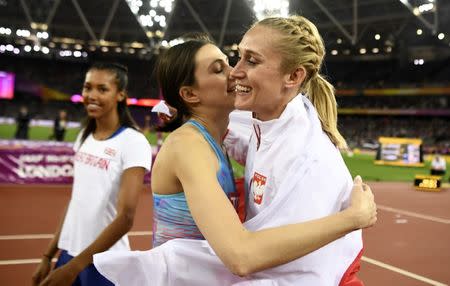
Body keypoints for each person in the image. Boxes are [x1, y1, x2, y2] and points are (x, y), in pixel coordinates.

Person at [94, 28, 376, 285]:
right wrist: (353, 218)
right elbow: (242, 256)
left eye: (235, 62)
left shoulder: (221, 136)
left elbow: (256, 131)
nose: (233, 72)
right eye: (220, 69)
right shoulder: (188, 146)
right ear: (191, 94)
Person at [31, 62, 152, 286]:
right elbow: (75, 201)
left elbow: (125, 218)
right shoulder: (84, 137)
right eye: (87, 87)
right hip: (68, 254)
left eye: (102, 89)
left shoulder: (133, 142)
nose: (92, 95)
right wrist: (49, 256)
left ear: (120, 95)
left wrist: (74, 268)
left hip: (104, 262)